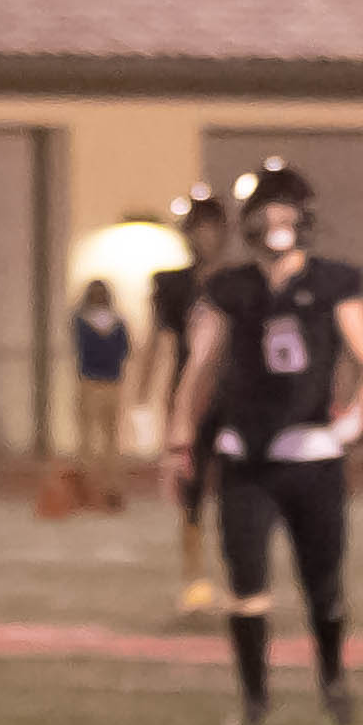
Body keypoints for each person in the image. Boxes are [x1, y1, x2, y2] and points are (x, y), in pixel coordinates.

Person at [167, 161, 363, 725]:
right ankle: (254, 699)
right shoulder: (229, 289)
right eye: (266, 210)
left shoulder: (334, 282)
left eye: (285, 208)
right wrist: (179, 437)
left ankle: (333, 681)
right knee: (246, 585)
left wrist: (358, 411)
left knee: (324, 587)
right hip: (246, 458)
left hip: (314, 455)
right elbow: (199, 368)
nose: (276, 220)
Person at [136, 188, 235, 614]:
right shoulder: (172, 284)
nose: (205, 236)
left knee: (237, 490)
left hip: (236, 398)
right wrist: (143, 394)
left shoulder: (240, 281)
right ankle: (194, 578)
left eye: (211, 227)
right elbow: (158, 339)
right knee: (190, 491)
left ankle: (239, 575)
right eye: (198, 228)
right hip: (190, 400)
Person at [71, 279, 131, 507]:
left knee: (86, 437)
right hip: (113, 382)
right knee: (111, 439)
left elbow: (79, 349)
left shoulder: (81, 322)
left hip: (89, 381)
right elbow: (125, 350)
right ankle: (111, 488)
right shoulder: (118, 323)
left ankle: (87, 488)